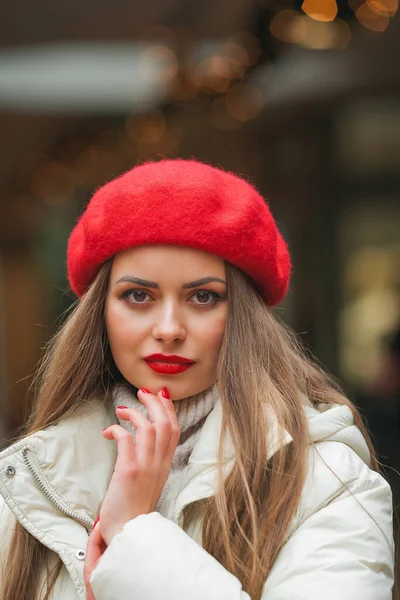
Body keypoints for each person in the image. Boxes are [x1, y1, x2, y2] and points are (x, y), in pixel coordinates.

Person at [0, 159, 394, 600]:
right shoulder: (30, 480)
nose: (169, 328)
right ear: (101, 314)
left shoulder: (326, 483)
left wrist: (135, 536)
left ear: (243, 317)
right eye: (138, 295)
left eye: (203, 297)